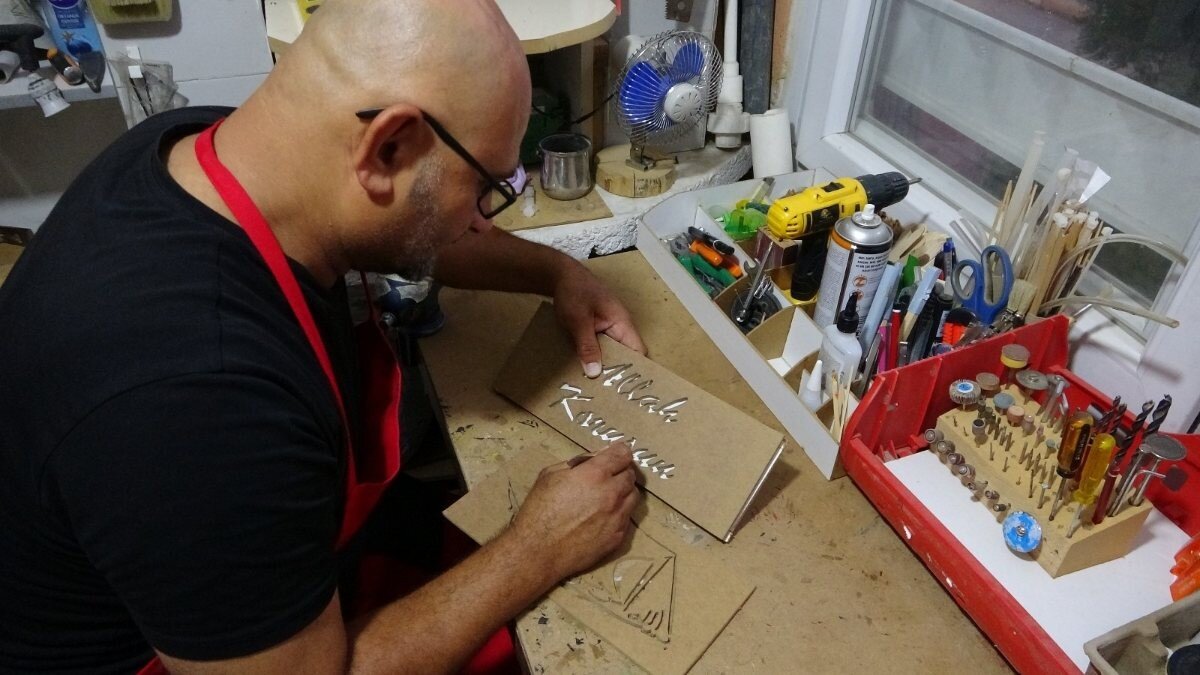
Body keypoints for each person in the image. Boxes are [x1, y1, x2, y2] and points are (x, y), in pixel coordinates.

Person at [0, 0, 648, 672]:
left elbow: (418, 222)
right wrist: (536, 549)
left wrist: (557, 272)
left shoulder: (212, 152)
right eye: (485, 187)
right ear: (386, 149)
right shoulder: (196, 400)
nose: (485, 220)